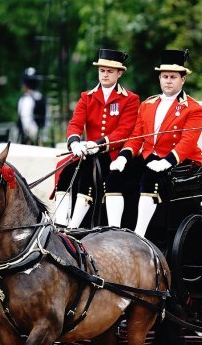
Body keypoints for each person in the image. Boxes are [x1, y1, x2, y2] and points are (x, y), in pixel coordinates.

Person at [113, 49, 202, 237]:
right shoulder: (147, 104)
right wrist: (124, 156)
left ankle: (139, 235)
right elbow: (137, 136)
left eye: (173, 76)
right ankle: (113, 231)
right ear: (160, 78)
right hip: (149, 156)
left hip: (177, 161)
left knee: (149, 178)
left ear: (183, 80)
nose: (168, 80)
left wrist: (167, 161)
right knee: (114, 177)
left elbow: (188, 142)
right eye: (165, 76)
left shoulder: (194, 108)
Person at [55, 49, 139, 228]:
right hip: (87, 150)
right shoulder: (87, 97)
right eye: (102, 71)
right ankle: (60, 221)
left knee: (88, 170)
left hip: (113, 154)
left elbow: (124, 131)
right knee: (64, 168)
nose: (105, 75)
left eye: (110, 71)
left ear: (119, 73)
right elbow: (75, 123)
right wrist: (74, 142)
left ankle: (74, 227)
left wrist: (98, 145)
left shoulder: (130, 99)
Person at [17, 67, 46, 145]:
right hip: (39, 138)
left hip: (30, 142)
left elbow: (27, 123)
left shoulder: (26, 99)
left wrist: (36, 137)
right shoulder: (41, 97)